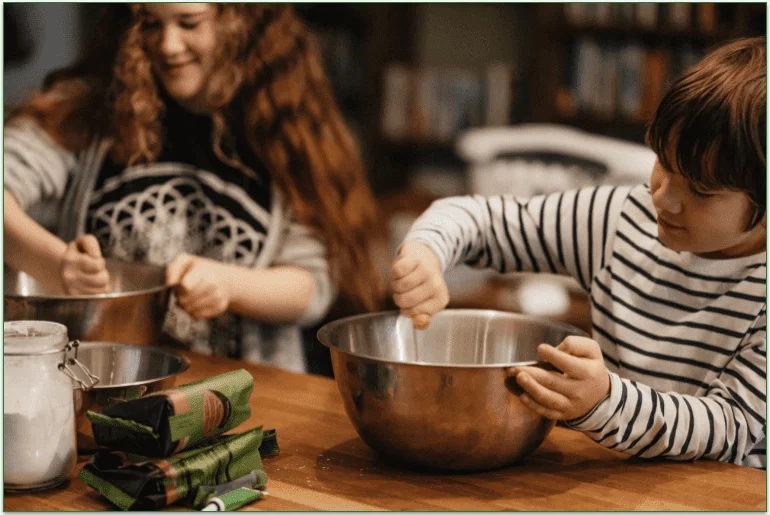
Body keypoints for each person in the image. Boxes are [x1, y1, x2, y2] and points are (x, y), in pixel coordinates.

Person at [391, 37, 766, 468]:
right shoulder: (620, 218)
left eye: (701, 190)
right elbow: (479, 219)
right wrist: (426, 252)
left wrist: (605, 400)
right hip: (613, 484)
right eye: (664, 161)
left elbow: (732, 426)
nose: (665, 198)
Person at [4, 4, 384, 372]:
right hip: (96, 380)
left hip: (243, 395)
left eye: (189, 23)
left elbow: (312, 287)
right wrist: (56, 266)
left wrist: (228, 284)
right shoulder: (91, 109)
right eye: (151, 24)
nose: (167, 45)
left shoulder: (285, 127)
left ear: (239, 21)